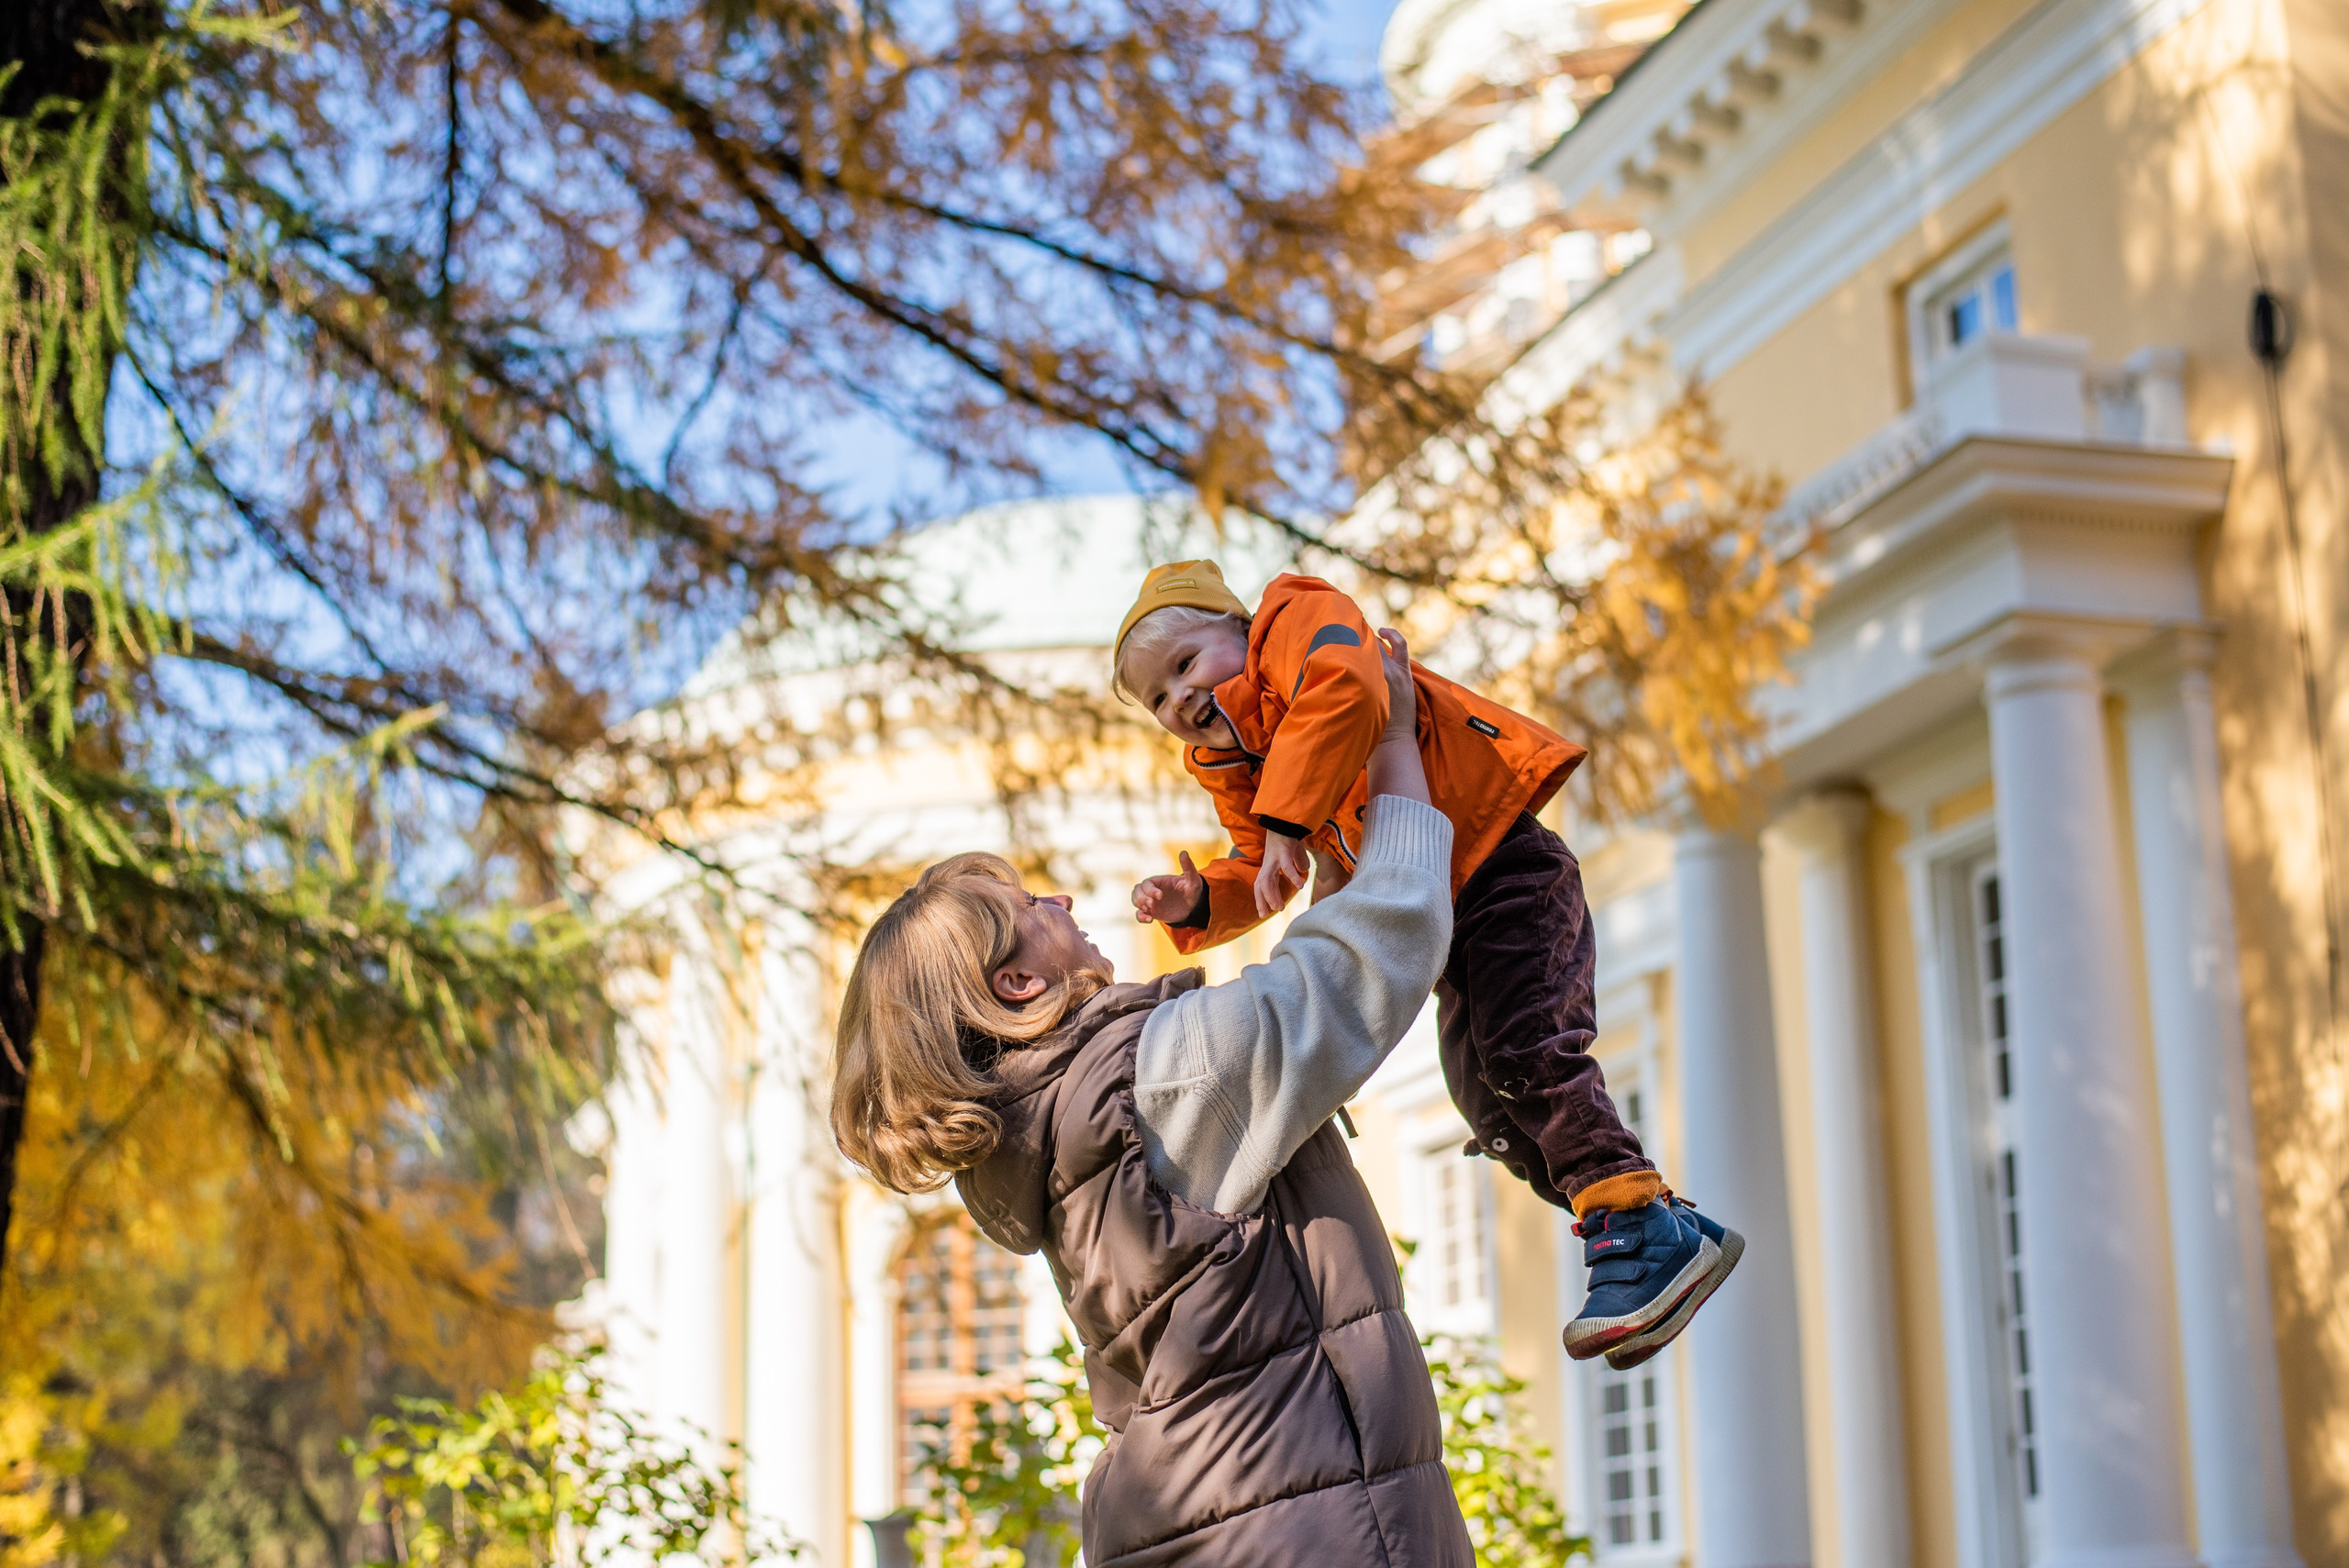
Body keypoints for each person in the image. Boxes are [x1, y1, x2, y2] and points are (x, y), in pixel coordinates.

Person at [832, 632, 1471, 1565]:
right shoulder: (1157, 1078)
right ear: (1017, 984)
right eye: (1032, 909)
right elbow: (1376, 952)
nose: (1059, 900)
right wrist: (1394, 742)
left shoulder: (1061, 1128)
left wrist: (1327, 854)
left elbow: (1306, 1006)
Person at [1114, 561, 1739, 1369]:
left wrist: (1284, 825)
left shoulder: (1292, 621)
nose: (1179, 699)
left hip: (1501, 865)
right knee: (1486, 1102)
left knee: (1525, 1051)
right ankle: (1656, 1224)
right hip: (1443, 917)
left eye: (1184, 664)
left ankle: (1632, 1218)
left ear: (1237, 627)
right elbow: (1263, 863)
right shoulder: (1239, 761)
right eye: (1157, 700)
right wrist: (1200, 897)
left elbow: (1347, 690)